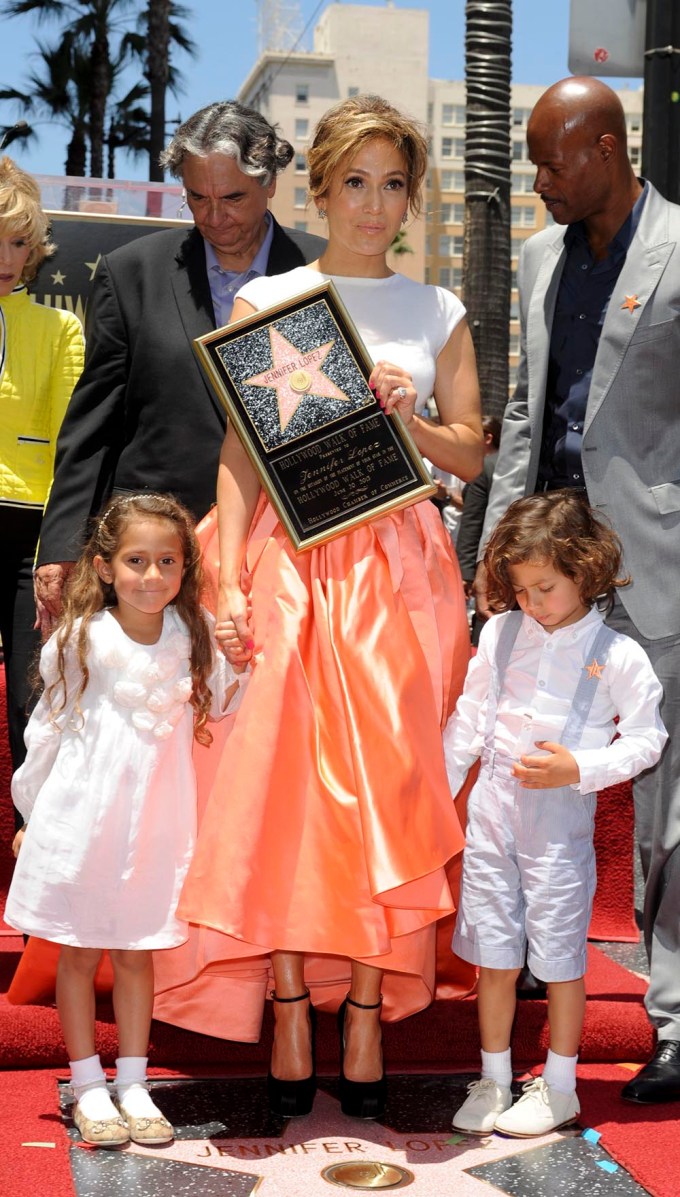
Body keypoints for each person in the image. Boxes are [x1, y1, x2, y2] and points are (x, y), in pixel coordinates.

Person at [156, 94, 483, 1120]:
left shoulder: (436, 311)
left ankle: (367, 1008)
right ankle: (292, 996)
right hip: (291, 564)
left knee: (385, 791)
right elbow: (238, 457)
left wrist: (413, 417)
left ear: (409, 196)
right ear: (321, 186)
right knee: (288, 792)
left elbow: (472, 448)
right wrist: (218, 578)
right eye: (354, 182)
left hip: (402, 576)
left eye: (392, 184)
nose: (373, 205)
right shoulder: (273, 299)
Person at [473, 76, 680, 1103]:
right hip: (551, 577)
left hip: (660, 566)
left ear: (604, 147)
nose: (539, 179)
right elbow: (527, 408)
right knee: (516, 768)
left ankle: (677, 1020)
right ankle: (507, 1014)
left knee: (667, 804)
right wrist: (497, 540)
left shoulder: (678, 246)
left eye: (552, 160)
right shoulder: (537, 255)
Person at [5, 492, 246, 1148]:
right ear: (106, 566)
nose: (152, 575)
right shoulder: (84, 637)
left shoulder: (190, 632)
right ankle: (87, 1085)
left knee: (138, 956)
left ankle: (134, 1081)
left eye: (167, 560)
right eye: (136, 560)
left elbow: (224, 702)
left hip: (154, 826)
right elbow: (47, 730)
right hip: (84, 821)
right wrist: (31, 809)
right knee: (79, 953)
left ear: (185, 566)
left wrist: (239, 656)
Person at [33, 100, 325, 632]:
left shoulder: (321, 271)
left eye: (233, 197)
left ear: (271, 183)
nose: (214, 217)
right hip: (153, 559)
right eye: (197, 197)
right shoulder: (131, 272)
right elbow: (93, 426)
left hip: (283, 550)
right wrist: (59, 545)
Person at [446, 491, 666, 1138]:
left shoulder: (613, 653)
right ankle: (491, 1076)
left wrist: (580, 767)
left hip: (559, 827)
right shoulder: (499, 632)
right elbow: (469, 716)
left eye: (544, 587)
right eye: (519, 589)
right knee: (494, 951)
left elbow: (647, 738)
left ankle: (562, 1085)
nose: (530, 602)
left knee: (562, 957)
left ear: (584, 569)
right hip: (492, 814)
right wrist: (440, 783)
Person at [0, 156, 84, 809]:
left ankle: (35, 842)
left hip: (36, 530)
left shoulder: (62, 328)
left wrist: (63, 545)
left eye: (18, 240)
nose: (7, 255)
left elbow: (73, 443)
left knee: (35, 694)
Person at [455, 415, 501, 644]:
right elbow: (473, 519)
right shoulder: (487, 468)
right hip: (492, 565)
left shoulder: (489, 466)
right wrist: (466, 573)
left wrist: (465, 573)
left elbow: (471, 520)